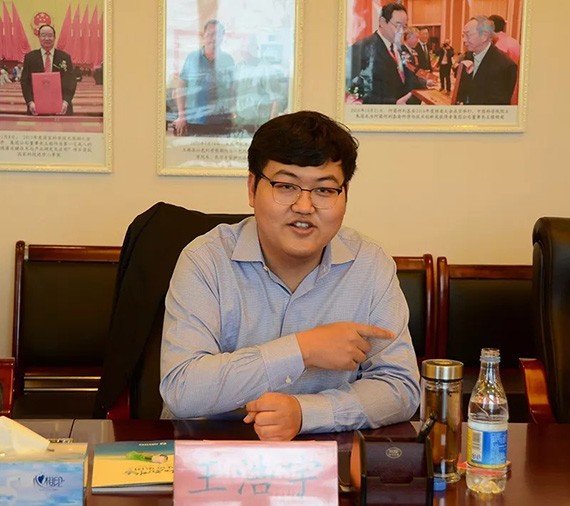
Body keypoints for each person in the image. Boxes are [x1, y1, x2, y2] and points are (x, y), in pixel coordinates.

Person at [160, 110, 420, 441]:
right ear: (252, 188)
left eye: (324, 190)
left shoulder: (369, 265)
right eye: (286, 186)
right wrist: (302, 349)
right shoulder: (205, 261)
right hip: (210, 450)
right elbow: (182, 389)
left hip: (325, 455)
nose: (304, 206)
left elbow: (400, 387)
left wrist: (306, 413)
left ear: (345, 195)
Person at [348, 2, 426, 105]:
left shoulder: (400, 49)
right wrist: (393, 103)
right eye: (397, 25)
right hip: (381, 111)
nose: (401, 31)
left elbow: (406, 76)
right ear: (382, 22)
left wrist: (425, 84)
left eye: (404, 26)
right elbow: (353, 90)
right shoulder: (362, 48)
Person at [172, 19, 236, 137]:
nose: (214, 38)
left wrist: (233, 113)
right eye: (210, 34)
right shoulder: (192, 58)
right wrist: (181, 116)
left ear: (223, 37)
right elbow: (181, 87)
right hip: (194, 120)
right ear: (203, 35)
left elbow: (232, 89)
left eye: (217, 35)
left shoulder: (228, 60)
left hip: (221, 121)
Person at [456, 16, 517, 105]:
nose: (464, 40)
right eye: (463, 36)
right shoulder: (468, 56)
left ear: (484, 36)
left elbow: (498, 105)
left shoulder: (505, 66)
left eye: (468, 35)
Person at [20, 24, 76, 115]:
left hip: (62, 107)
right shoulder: (30, 57)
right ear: (39, 37)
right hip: (36, 107)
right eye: (43, 35)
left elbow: (71, 81)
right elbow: (25, 82)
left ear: (54, 37)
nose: (47, 38)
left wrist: (65, 102)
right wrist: (30, 102)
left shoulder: (65, 57)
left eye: (50, 35)